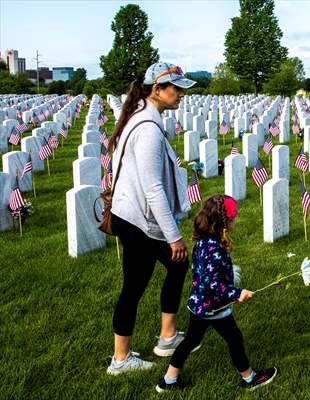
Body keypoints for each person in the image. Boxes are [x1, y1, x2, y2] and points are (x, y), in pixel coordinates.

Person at [106, 62, 197, 375]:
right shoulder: (148, 129)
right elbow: (153, 188)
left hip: (130, 213)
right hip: (137, 219)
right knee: (137, 283)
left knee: (172, 267)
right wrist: (173, 236)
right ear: (157, 89)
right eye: (176, 87)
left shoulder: (142, 115)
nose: (181, 93)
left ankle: (167, 336)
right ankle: (122, 359)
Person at [156, 194, 277, 392]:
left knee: (191, 341)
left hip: (199, 304)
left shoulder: (204, 241)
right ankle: (250, 378)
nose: (235, 221)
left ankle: (169, 380)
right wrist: (237, 293)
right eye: (233, 218)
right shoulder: (215, 250)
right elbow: (213, 284)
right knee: (234, 338)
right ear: (224, 222)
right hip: (213, 306)